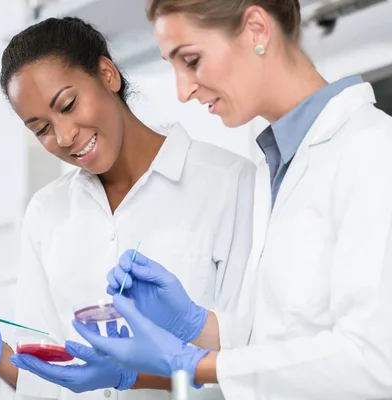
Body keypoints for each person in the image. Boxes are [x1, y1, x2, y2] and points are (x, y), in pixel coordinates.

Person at [75, 1, 392, 399]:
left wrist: (190, 363)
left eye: (190, 60)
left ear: (257, 29)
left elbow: (375, 362)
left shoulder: (373, 150)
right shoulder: (272, 169)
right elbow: (277, 341)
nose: (183, 90)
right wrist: (195, 324)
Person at [0, 16, 255, 400]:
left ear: (107, 75)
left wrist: (130, 374)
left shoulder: (229, 183)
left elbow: (259, 357)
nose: (65, 136)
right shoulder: (47, 211)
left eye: (68, 105)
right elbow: (51, 375)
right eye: (41, 129)